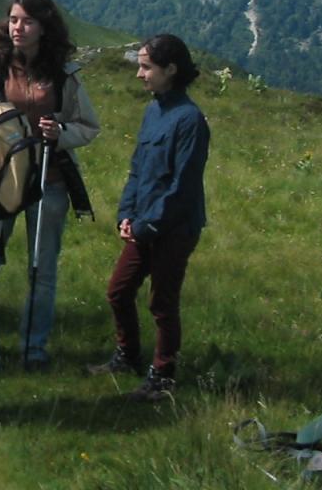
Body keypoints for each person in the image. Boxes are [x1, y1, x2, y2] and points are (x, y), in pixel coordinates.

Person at [88, 34, 209, 402]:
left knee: (162, 301)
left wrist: (145, 225)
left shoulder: (190, 121)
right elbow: (138, 170)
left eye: (146, 67)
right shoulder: (153, 111)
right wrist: (126, 213)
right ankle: (127, 356)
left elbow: (181, 186)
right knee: (118, 291)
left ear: (170, 70)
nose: (140, 75)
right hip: (144, 223)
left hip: (174, 228)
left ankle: (163, 376)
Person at [0, 0, 100, 372]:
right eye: (15, 19)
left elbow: (89, 126)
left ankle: (33, 348)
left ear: (44, 27)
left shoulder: (63, 74)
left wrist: (61, 132)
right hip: (2, 177)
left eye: (28, 21)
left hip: (49, 178)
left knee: (41, 266)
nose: (19, 28)